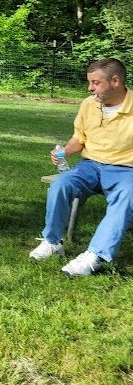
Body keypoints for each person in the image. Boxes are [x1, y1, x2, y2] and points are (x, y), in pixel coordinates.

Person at [29, 58, 133, 276]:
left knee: (127, 196)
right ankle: (52, 242)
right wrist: (65, 151)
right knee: (61, 184)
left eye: (95, 83)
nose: (90, 88)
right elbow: (80, 137)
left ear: (115, 81)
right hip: (91, 166)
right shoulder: (89, 104)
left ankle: (95, 255)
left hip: (126, 169)